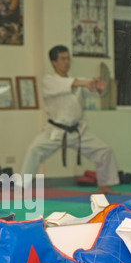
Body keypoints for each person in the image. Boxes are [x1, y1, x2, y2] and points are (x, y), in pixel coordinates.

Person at [19, 45, 120, 194]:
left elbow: (92, 91)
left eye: (68, 59)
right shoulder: (49, 81)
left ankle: (104, 185)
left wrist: (99, 87)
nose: (67, 62)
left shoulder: (78, 83)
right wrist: (85, 82)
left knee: (104, 151)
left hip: (76, 131)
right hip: (54, 132)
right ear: (54, 62)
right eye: (63, 59)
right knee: (34, 150)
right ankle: (22, 187)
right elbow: (71, 84)